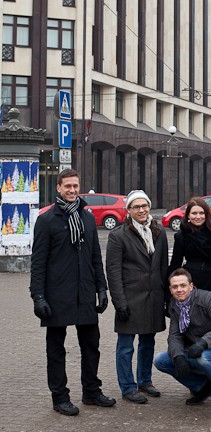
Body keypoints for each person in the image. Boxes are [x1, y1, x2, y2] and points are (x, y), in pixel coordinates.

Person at [30, 168, 115, 416]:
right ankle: (60, 397)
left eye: (75, 186)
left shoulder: (87, 218)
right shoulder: (47, 220)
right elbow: (38, 263)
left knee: (91, 345)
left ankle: (91, 391)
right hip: (56, 294)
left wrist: (102, 288)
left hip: (85, 292)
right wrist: (37, 296)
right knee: (56, 349)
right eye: (67, 186)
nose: (72, 190)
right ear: (58, 188)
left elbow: (95, 257)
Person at [154, 268, 211, 424]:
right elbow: (175, 336)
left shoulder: (207, 298)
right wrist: (178, 356)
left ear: (191, 286)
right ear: (170, 289)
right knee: (160, 360)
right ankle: (204, 387)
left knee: (204, 357)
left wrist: (203, 343)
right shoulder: (174, 305)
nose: (179, 289)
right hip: (196, 350)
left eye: (183, 285)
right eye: (175, 287)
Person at [106, 189, 168, 404]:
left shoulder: (158, 232)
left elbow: (163, 267)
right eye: (136, 207)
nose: (141, 210)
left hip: (153, 298)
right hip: (130, 299)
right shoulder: (118, 236)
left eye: (144, 206)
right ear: (129, 210)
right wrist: (119, 303)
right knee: (125, 346)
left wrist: (166, 298)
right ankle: (127, 387)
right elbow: (113, 272)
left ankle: (145, 381)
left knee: (148, 343)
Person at [168, 197, 211, 298]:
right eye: (194, 213)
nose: (198, 217)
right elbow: (175, 264)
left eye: (201, 213)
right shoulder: (182, 235)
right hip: (191, 283)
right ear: (188, 215)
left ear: (206, 214)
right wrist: (170, 294)